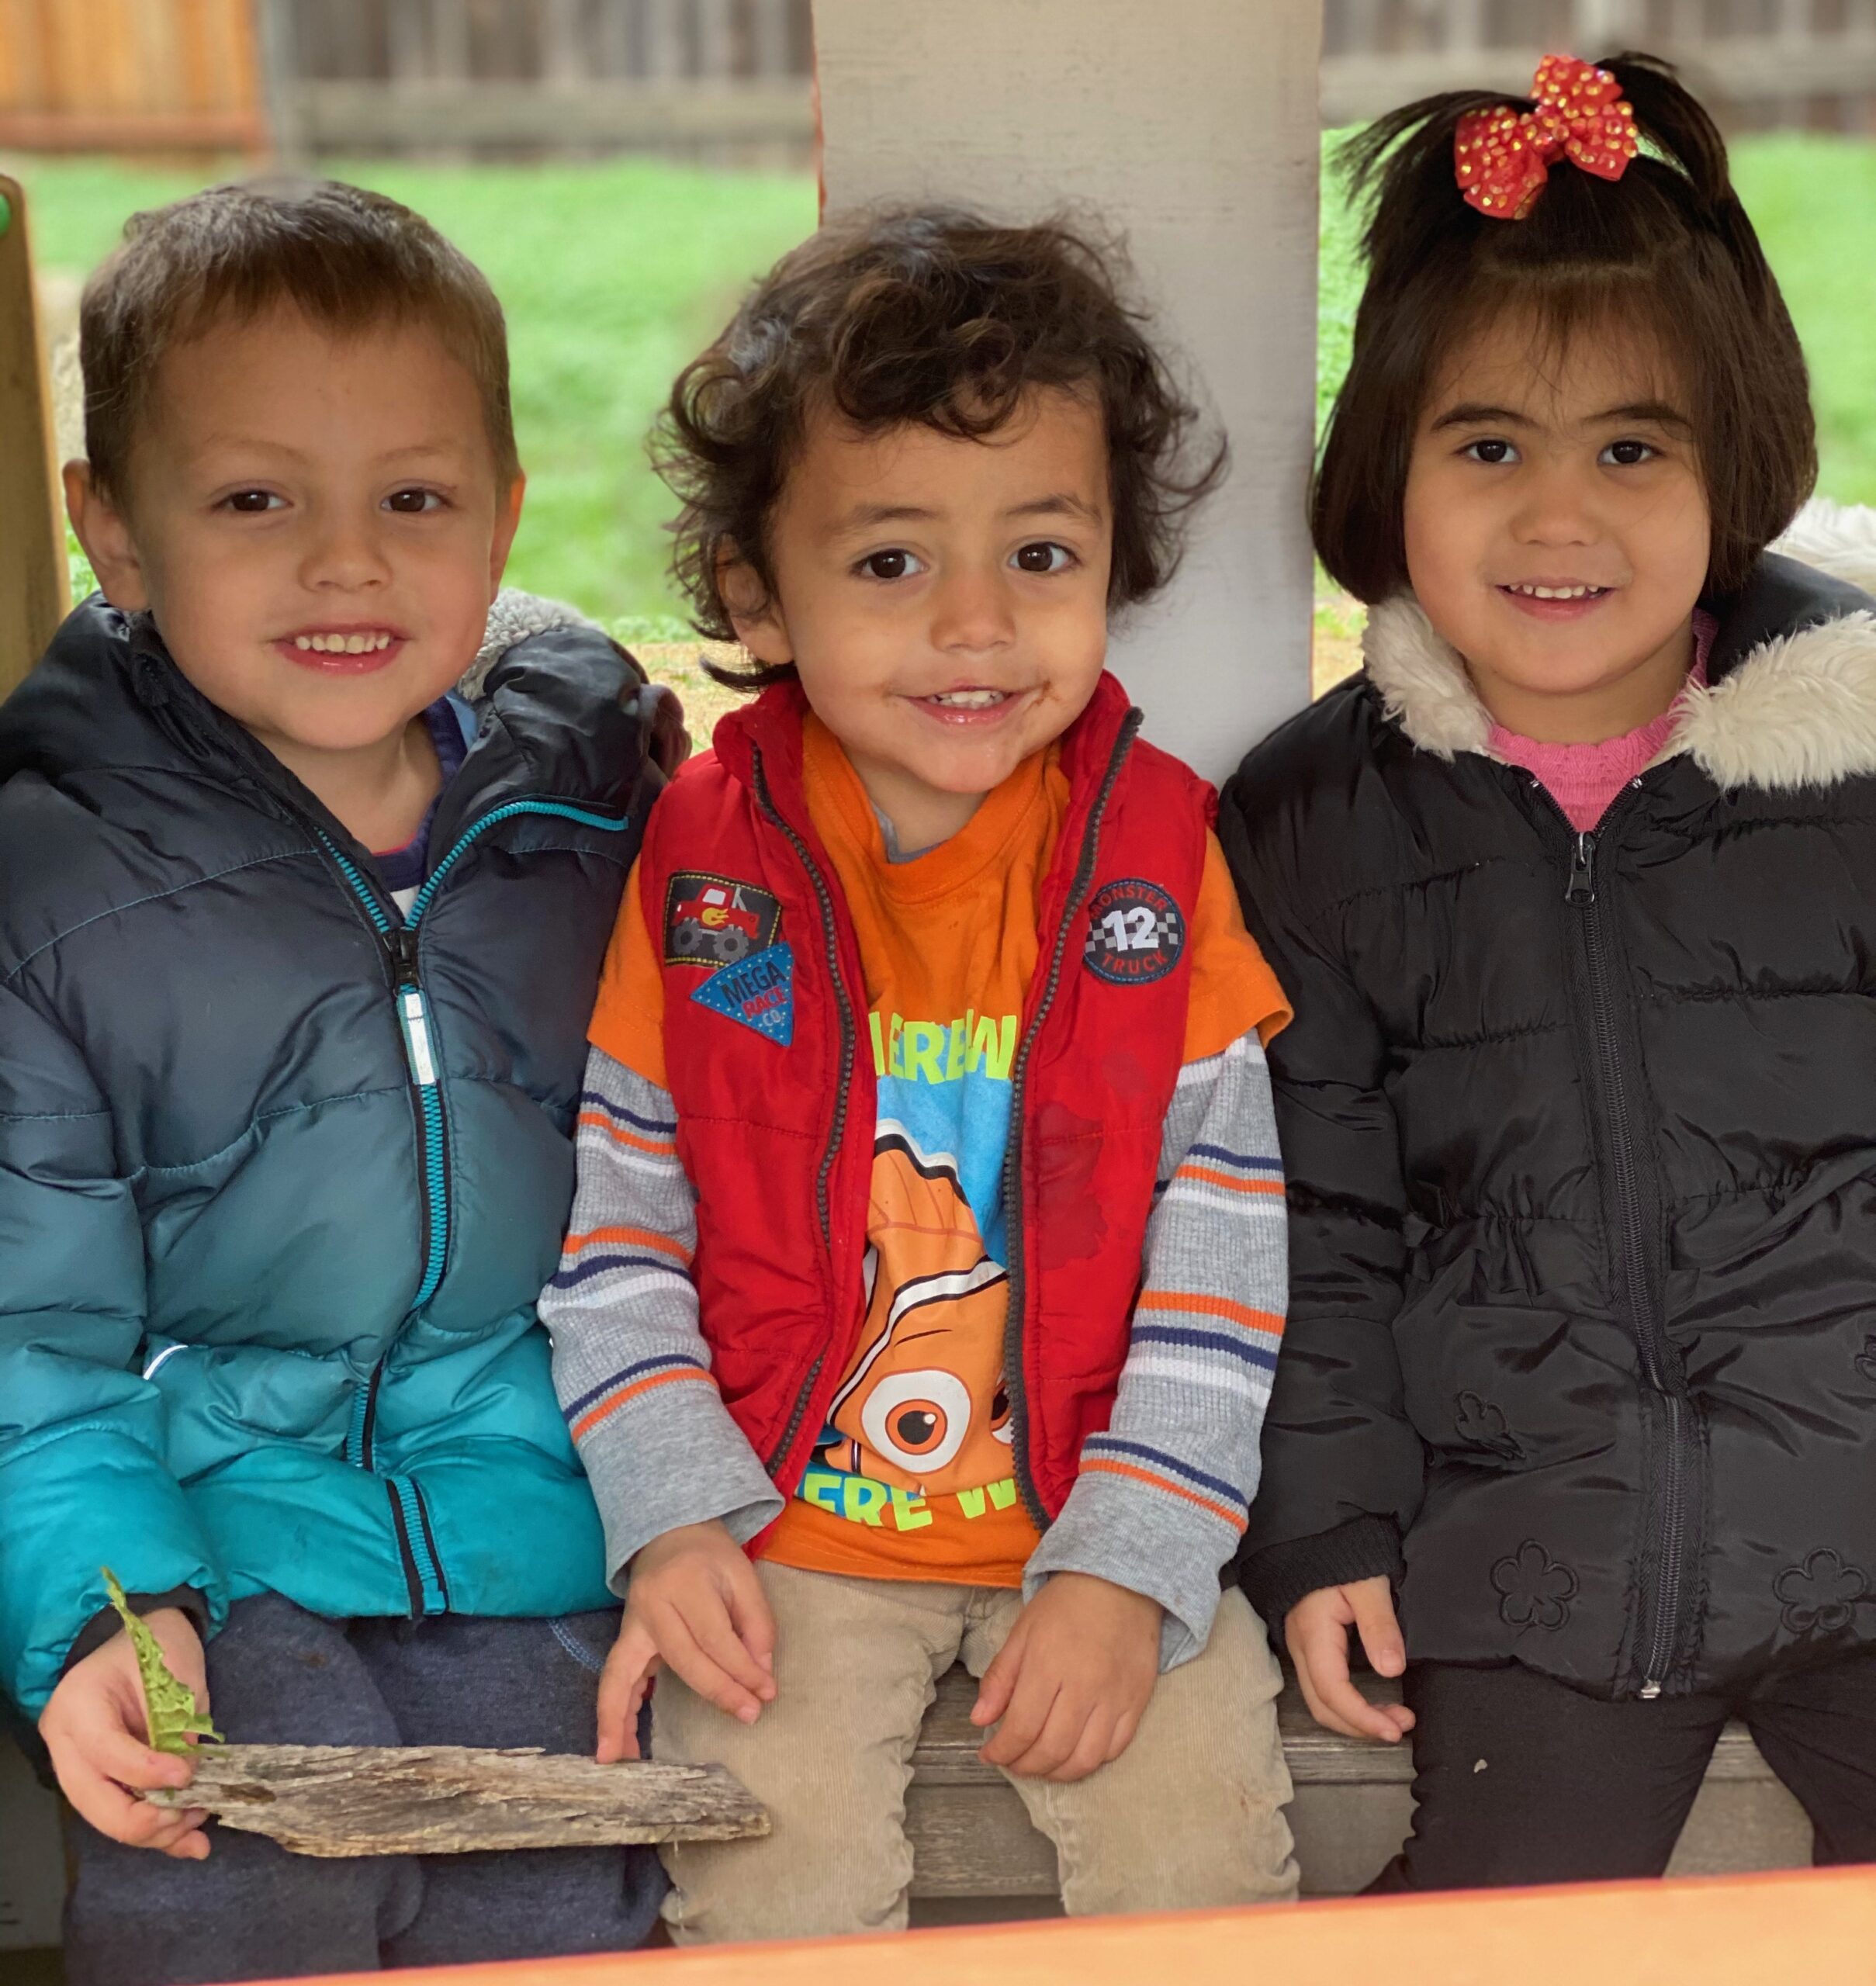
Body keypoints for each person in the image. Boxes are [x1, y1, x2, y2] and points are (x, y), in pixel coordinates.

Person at [541, 208, 1300, 1940]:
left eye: (1039, 553)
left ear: (1114, 556)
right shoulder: (705, 864)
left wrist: (1132, 1556)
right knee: (763, 1865)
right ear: (758, 588)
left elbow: (1225, 1250)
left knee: (1202, 1865)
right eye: (890, 562)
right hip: (786, 1527)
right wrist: (673, 1524)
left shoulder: (1152, 854)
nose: (974, 623)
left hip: (1099, 1495)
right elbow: (618, 1245)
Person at [2, 178, 676, 1981]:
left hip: (546, 1512)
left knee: (563, 1893)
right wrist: (106, 1617)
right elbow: (30, 1340)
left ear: (505, 515)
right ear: (113, 532)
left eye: (414, 498)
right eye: (251, 499)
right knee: (233, 1844)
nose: (346, 561)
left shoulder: (590, 815)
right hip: (204, 1525)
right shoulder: (50, 886)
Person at [1222, 51, 1876, 1889]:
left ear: (1730, 463)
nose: (1559, 518)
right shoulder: (1314, 814)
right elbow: (1319, 1217)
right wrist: (1325, 1522)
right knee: (1499, 1918)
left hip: (1861, 1505)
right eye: (1489, 445)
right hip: (1534, 1551)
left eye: (1633, 448)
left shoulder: (1855, 755)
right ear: (1390, 469)